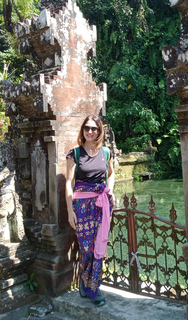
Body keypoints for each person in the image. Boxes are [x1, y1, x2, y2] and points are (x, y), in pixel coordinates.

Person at [65, 114, 115, 306]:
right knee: (87, 248)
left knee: (99, 246)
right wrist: (70, 211)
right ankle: (86, 284)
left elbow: (110, 174)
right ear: (82, 130)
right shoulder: (75, 154)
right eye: (87, 128)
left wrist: (110, 191)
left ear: (99, 131)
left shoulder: (106, 152)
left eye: (94, 128)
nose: (90, 131)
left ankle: (93, 288)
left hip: (101, 206)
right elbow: (69, 183)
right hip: (82, 206)